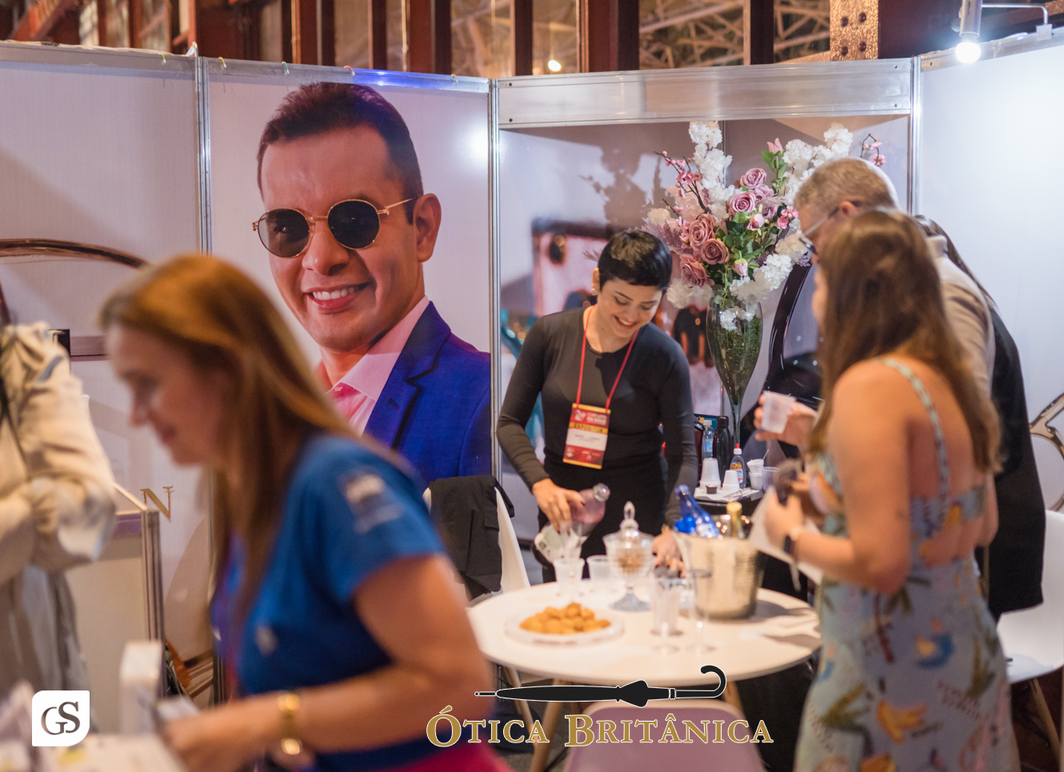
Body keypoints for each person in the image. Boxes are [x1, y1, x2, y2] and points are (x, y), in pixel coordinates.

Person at [102, 255, 500, 772]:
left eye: (148, 384)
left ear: (224, 367)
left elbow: (459, 685)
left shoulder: (332, 483)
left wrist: (267, 722)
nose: (136, 414)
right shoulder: (249, 489)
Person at [761, 211, 1014, 771]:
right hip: (966, 657)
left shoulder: (870, 384)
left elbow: (883, 562)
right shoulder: (951, 379)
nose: (816, 293)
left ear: (850, 291)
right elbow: (982, 525)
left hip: (890, 666)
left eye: (822, 278)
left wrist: (789, 535)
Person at [255, 82, 490, 486]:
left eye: (354, 220)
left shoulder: (485, 402)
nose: (320, 259)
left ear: (422, 228)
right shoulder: (274, 420)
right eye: (289, 227)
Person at [754, 157, 994, 452]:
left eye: (814, 240)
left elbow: (958, 438)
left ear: (847, 215)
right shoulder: (898, 293)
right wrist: (818, 432)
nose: (815, 259)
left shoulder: (941, 291)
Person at [497, 230, 697, 572]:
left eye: (646, 306)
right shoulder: (549, 335)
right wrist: (541, 484)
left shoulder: (664, 356)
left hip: (638, 516)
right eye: (620, 300)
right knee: (566, 603)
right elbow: (509, 423)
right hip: (565, 512)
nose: (631, 315)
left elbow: (684, 455)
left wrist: (675, 527)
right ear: (596, 281)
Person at [914, 216, 1046, 619]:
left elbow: (966, 430)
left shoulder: (957, 315)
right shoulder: (978, 310)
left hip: (996, 515)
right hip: (998, 506)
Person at [0, 320, 116, 697]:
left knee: (65, 734)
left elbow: (88, 504)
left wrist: (19, 520)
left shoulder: (23, 359)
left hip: (39, 669)